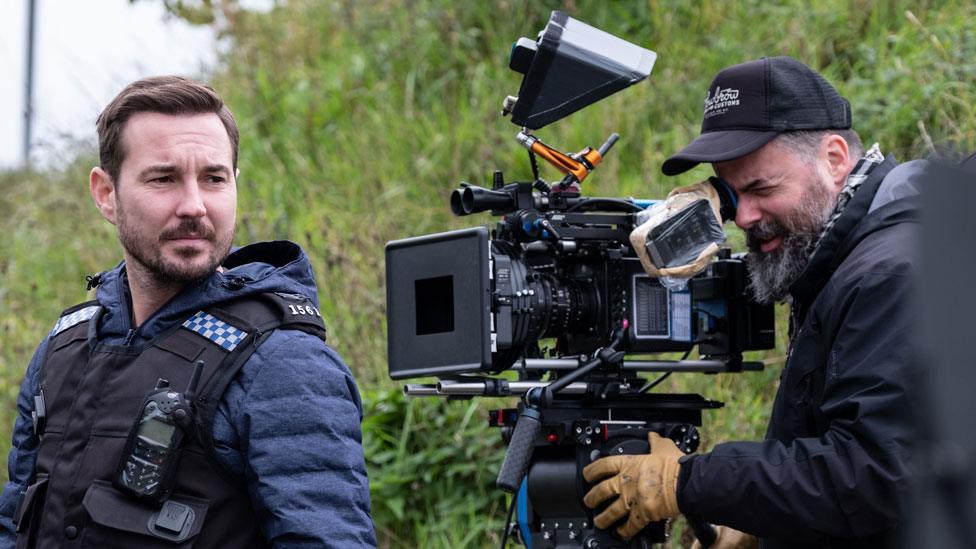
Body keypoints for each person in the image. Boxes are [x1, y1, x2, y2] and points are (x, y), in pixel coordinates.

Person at [0, 76, 377, 547]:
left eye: (214, 179)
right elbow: (15, 525)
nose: (194, 206)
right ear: (106, 193)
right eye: (164, 178)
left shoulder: (283, 367)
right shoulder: (63, 349)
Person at [582, 56, 920, 548]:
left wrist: (692, 484)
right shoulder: (839, 256)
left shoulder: (892, 274)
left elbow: (875, 477)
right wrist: (762, 522)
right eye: (730, 193)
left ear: (834, 158)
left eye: (762, 187)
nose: (743, 217)